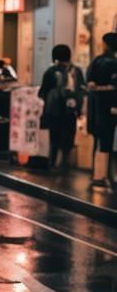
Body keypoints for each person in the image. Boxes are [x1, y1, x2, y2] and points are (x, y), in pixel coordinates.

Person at [37, 44, 85, 170]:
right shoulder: (77, 72)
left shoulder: (51, 71)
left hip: (54, 111)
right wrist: (79, 110)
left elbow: (42, 92)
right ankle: (65, 164)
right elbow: (81, 91)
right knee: (68, 138)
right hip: (70, 111)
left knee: (54, 138)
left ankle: (52, 164)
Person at [86, 31, 117, 188]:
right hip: (110, 108)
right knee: (108, 141)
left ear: (106, 44)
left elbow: (89, 82)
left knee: (97, 140)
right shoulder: (113, 62)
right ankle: (107, 175)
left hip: (96, 106)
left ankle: (96, 174)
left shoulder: (97, 61)